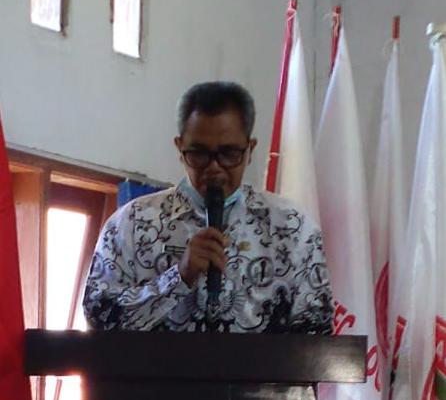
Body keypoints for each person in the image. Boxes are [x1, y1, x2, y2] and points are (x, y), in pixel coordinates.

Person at [83, 81, 333, 334]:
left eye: (229, 154)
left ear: (250, 149)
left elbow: (316, 331)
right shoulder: (132, 223)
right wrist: (179, 277)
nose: (214, 168)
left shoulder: (293, 227)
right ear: (180, 147)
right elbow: (99, 317)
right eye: (199, 154)